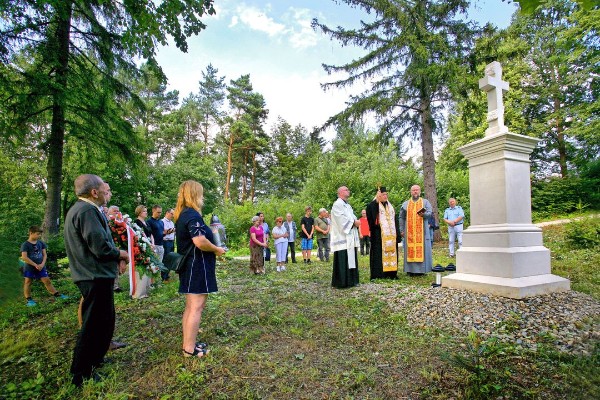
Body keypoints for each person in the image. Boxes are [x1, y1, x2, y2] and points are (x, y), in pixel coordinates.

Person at [64, 174, 129, 386]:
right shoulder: (86, 211)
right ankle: (81, 373)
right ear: (94, 192)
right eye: (104, 189)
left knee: (103, 321)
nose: (106, 192)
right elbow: (99, 247)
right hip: (93, 275)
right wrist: (120, 253)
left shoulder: (83, 210)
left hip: (96, 274)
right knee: (93, 324)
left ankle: (94, 360)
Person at [174, 180, 226, 358]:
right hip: (196, 265)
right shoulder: (192, 215)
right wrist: (217, 249)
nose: (203, 197)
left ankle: (189, 344)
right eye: (201, 193)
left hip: (192, 265)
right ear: (195, 194)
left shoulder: (184, 214)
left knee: (191, 307)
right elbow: (200, 241)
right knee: (196, 307)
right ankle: (189, 349)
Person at [20, 225, 68, 307]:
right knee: (28, 282)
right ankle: (29, 300)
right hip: (29, 267)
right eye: (38, 234)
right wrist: (35, 265)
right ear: (31, 233)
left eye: (40, 234)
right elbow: (24, 257)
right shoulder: (25, 244)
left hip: (41, 267)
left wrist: (42, 264)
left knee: (47, 281)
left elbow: (45, 255)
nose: (39, 236)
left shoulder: (41, 243)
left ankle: (57, 295)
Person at [366, 186, 400, 280]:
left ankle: (391, 273)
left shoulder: (390, 207)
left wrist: (398, 234)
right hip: (378, 236)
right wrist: (376, 202)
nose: (385, 196)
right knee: (378, 255)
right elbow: (372, 220)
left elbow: (394, 220)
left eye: (386, 194)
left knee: (392, 254)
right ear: (378, 196)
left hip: (391, 236)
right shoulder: (373, 205)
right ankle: (379, 274)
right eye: (383, 194)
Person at [398, 185, 433, 275]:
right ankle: (410, 270)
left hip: (422, 232)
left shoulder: (425, 202)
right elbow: (401, 217)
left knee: (422, 249)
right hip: (409, 232)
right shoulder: (406, 204)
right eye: (413, 190)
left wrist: (423, 214)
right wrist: (401, 229)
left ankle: (422, 270)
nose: (415, 192)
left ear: (420, 191)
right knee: (409, 250)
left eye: (417, 190)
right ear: (411, 192)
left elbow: (430, 213)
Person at [330, 186, 360, 288]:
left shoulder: (347, 205)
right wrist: (354, 222)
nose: (348, 191)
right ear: (340, 192)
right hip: (342, 237)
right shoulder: (337, 204)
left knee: (351, 258)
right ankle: (342, 282)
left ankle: (351, 280)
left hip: (350, 237)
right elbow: (341, 220)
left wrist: (356, 221)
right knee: (343, 259)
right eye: (346, 190)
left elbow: (351, 217)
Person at [147, 205, 168, 282]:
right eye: (158, 212)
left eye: (160, 212)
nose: (159, 214)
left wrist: (165, 233)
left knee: (159, 264)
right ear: (153, 210)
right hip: (154, 246)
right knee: (153, 265)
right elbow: (149, 235)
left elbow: (161, 233)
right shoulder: (149, 222)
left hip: (161, 245)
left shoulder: (161, 222)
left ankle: (157, 281)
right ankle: (151, 282)